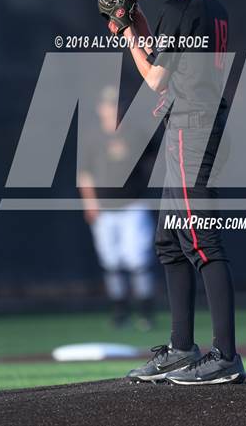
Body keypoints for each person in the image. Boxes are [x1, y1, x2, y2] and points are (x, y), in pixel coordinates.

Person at [119, 0, 245, 384]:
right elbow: (172, 60)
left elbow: (155, 79)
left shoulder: (179, 8)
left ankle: (225, 356)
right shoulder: (211, 5)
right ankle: (181, 349)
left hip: (190, 130)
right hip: (199, 124)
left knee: (201, 241)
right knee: (170, 242)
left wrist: (126, 37)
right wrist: (140, 27)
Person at [78, 86, 155, 330]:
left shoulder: (135, 133)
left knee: (138, 260)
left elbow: (155, 161)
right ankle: (119, 310)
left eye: (116, 105)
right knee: (111, 261)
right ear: (101, 109)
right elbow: (84, 174)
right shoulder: (91, 137)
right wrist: (89, 203)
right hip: (104, 209)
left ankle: (145, 311)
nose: (113, 110)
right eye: (108, 106)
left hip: (133, 204)